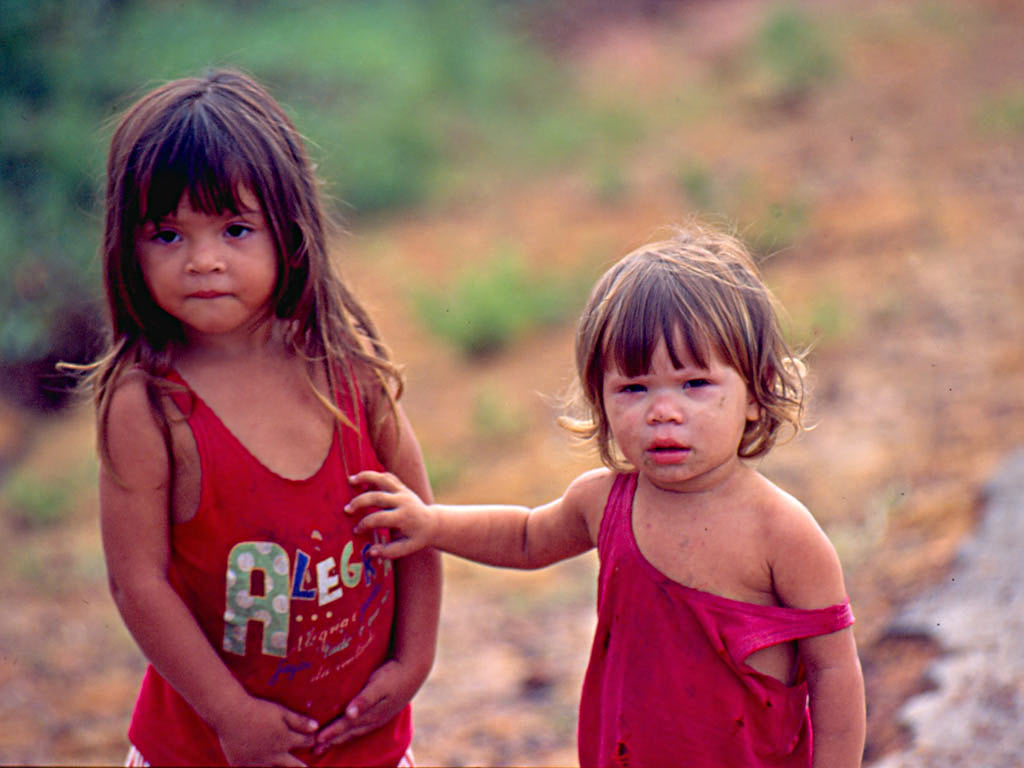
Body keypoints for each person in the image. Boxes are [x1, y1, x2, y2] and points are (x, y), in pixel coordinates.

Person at [347, 225, 866, 767]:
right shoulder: (603, 502)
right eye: (633, 388)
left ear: (756, 393)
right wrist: (432, 524)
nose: (663, 410)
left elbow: (834, 671)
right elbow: (527, 537)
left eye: (695, 384)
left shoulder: (782, 533)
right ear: (600, 399)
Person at [85, 69, 441, 767]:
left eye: (235, 228)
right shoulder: (149, 404)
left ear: (289, 229)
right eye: (167, 235)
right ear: (127, 244)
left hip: (360, 741)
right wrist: (231, 715)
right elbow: (138, 582)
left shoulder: (346, 366)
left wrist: (415, 661)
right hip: (206, 748)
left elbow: (416, 525)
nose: (204, 261)